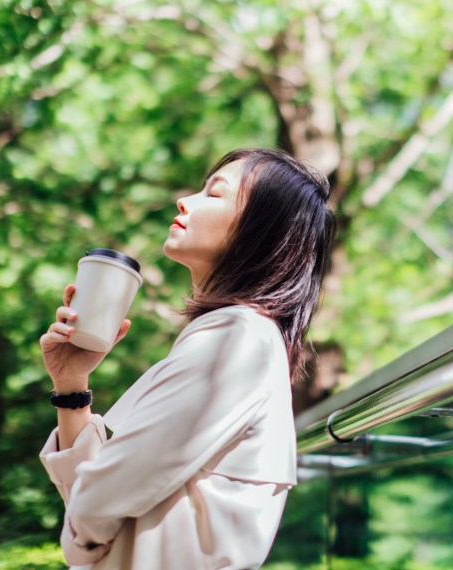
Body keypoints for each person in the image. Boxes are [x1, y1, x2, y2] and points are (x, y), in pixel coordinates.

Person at [38, 148, 335, 569]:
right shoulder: (232, 337)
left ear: (261, 229)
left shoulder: (239, 338)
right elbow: (99, 492)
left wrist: (83, 535)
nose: (185, 200)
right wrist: (71, 386)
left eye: (214, 194)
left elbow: (95, 502)